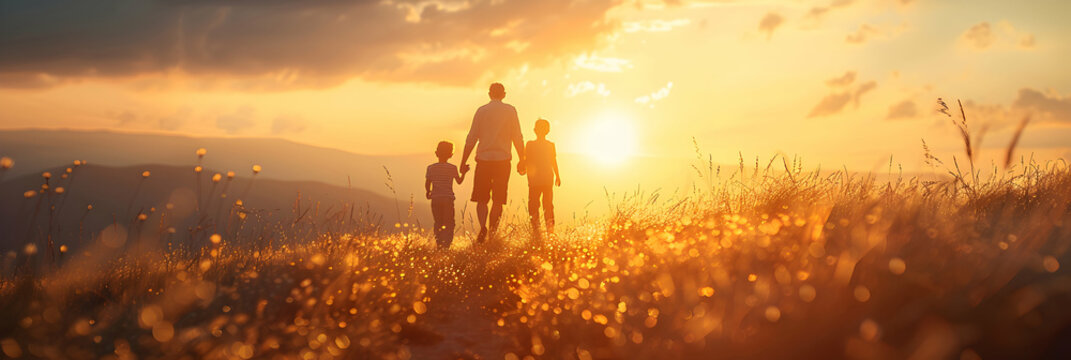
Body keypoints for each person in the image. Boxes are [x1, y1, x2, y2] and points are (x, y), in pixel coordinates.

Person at [460, 83, 525, 244]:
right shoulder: (510, 111)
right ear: (504, 94)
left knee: (481, 199)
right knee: (498, 199)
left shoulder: (481, 111)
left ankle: (483, 227)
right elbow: (517, 136)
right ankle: (493, 233)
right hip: (503, 161)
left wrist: (463, 161)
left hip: (484, 160)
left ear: (489, 94)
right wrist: (522, 159)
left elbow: (472, 137)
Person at [425, 141, 466, 249]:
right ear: (451, 155)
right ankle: (446, 246)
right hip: (448, 199)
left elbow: (428, 183)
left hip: (435, 199)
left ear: (436, 153)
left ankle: (439, 244)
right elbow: (459, 181)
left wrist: (428, 192)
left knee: (438, 222)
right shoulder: (452, 168)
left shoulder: (431, 168)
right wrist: (464, 172)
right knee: (449, 223)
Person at [525, 119, 561, 240]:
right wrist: (557, 176)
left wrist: (522, 169)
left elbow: (527, 161)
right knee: (548, 206)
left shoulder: (530, 144)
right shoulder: (550, 145)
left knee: (534, 206)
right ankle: (550, 233)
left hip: (535, 180)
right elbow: (553, 161)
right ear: (548, 131)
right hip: (547, 179)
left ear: (534, 130)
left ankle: (537, 233)